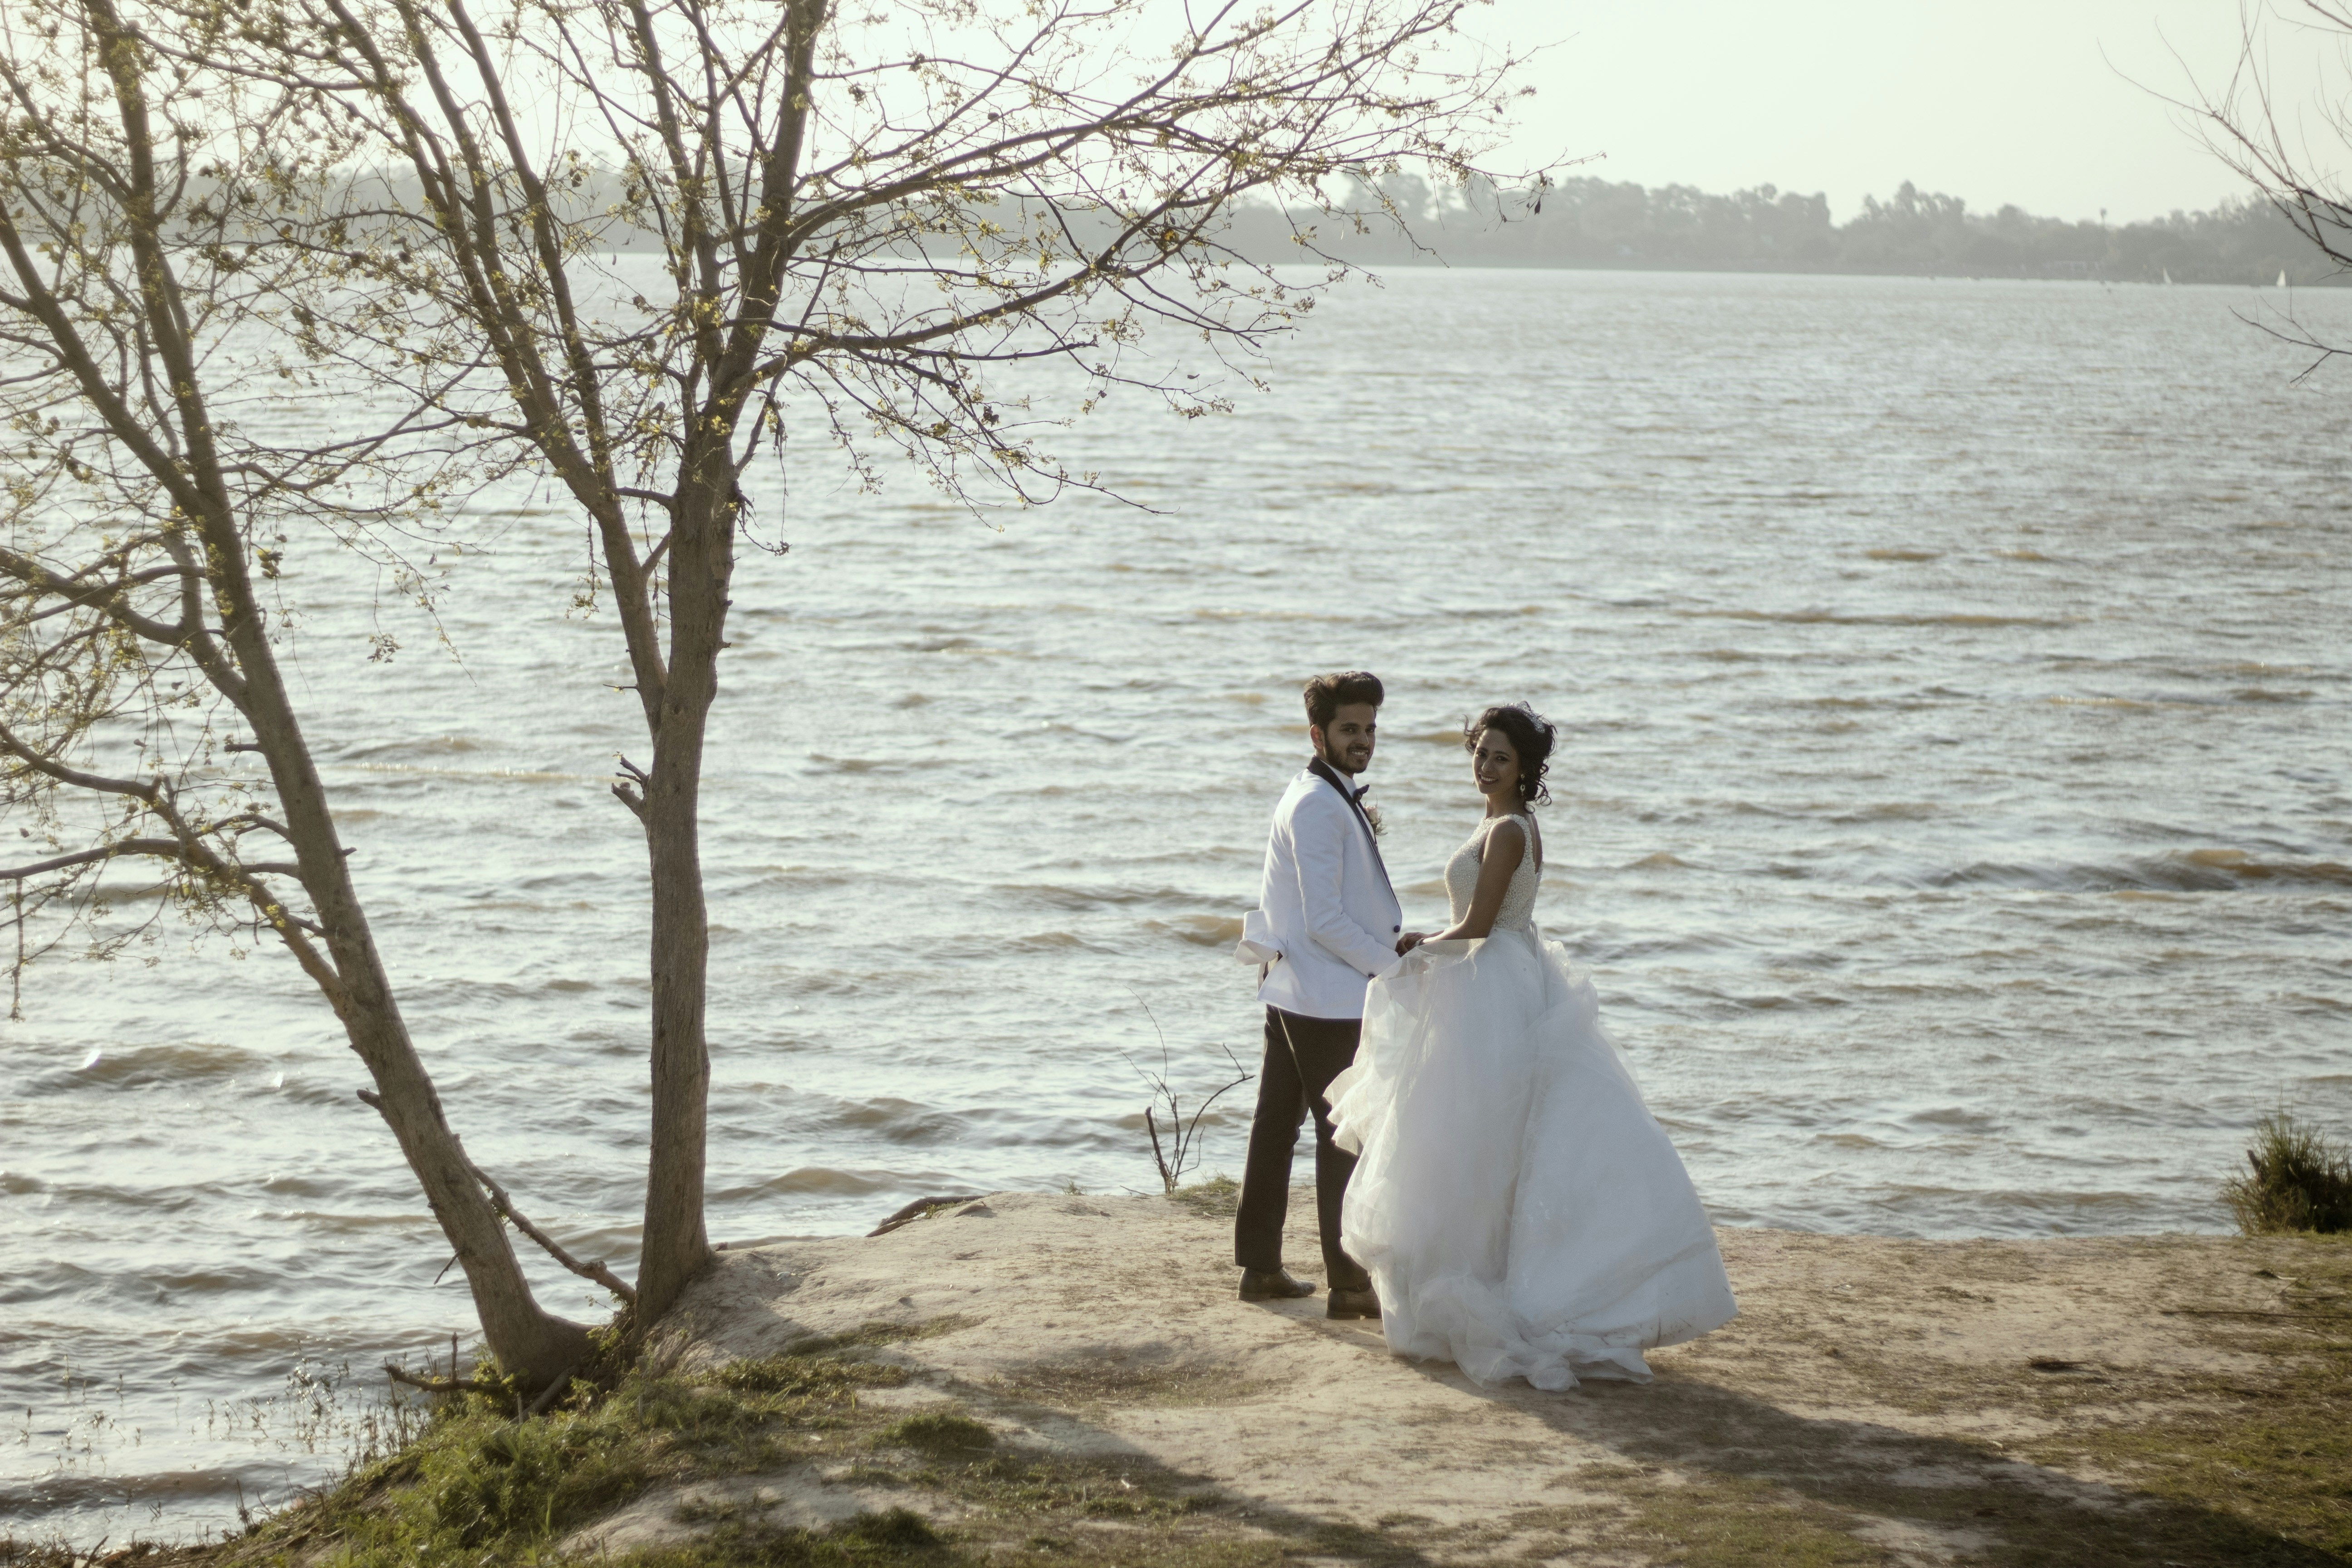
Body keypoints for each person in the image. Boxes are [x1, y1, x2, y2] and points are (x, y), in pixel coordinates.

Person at [1327, 702, 1737, 1389]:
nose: (1485, 766)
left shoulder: (1511, 831)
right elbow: (1476, 922)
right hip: (1496, 977)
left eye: (1500, 758)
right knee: (1481, 1142)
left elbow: (1480, 924)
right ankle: (1481, 1269)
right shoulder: (1496, 822)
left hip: (1494, 984)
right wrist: (1435, 940)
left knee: (1488, 1139)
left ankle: (1512, 1287)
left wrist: (1417, 945)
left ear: (1526, 770)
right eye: (1480, 753)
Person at [1230, 671, 1424, 1318]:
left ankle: (1260, 1269)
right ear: (1318, 734)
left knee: (1274, 1129)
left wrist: (1384, 944)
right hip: (1325, 996)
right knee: (1341, 1134)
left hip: (1293, 986)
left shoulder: (1313, 791)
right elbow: (1324, 919)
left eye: (1370, 728)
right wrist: (1387, 968)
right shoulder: (1317, 804)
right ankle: (1348, 1284)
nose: (1363, 740)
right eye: (1349, 730)